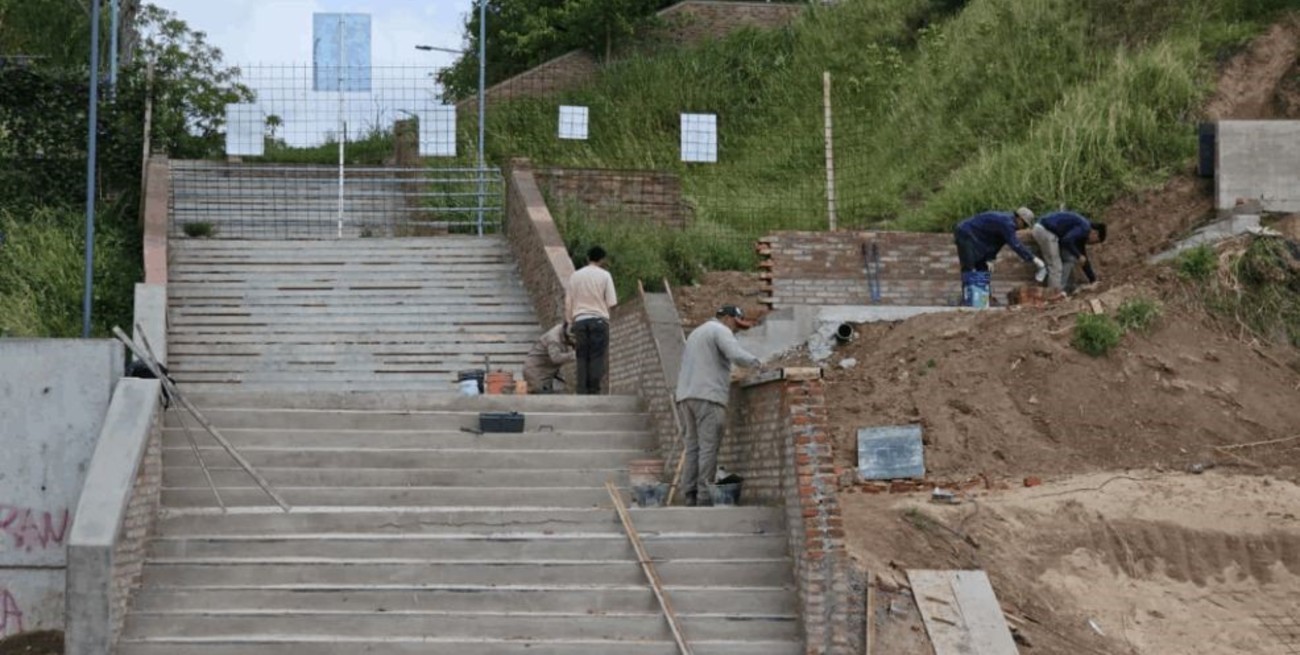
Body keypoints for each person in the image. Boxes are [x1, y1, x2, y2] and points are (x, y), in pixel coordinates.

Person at [675, 305, 762, 507]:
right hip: (708, 397)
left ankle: (690, 494)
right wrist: (757, 363)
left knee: (692, 448)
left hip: (687, 396)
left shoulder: (697, 332)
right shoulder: (720, 330)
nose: (736, 330)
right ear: (729, 318)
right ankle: (704, 497)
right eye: (737, 325)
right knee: (708, 448)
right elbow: (735, 354)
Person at [565, 245, 617, 395]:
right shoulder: (605, 275)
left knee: (581, 356)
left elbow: (568, 302)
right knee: (596, 356)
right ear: (602, 259)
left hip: (580, 321)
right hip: (599, 321)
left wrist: (569, 322)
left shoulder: (575, 276)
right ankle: (594, 390)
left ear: (588, 258)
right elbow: (612, 303)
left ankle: (581, 390)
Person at [953, 207, 1046, 276]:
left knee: (983, 269)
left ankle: (981, 296)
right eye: (1024, 224)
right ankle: (970, 297)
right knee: (969, 267)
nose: (1023, 228)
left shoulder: (1007, 225)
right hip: (965, 232)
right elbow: (1016, 245)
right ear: (1019, 218)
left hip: (976, 237)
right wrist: (1034, 259)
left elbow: (997, 243)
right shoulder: (1007, 223)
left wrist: (990, 258)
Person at [1033, 211, 1107, 294]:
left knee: (1069, 259)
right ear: (1095, 233)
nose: (1092, 244)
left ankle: (1061, 289)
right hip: (1044, 230)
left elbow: (1084, 258)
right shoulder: (1085, 227)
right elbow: (1067, 240)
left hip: (1046, 231)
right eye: (1095, 241)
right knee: (1055, 266)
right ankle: (1054, 295)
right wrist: (1078, 255)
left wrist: (1093, 280)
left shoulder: (1082, 233)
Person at [523, 323, 576, 394]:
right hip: (536, 372)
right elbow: (556, 358)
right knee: (542, 398)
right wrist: (574, 355)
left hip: (547, 371)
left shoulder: (562, 331)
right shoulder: (554, 339)